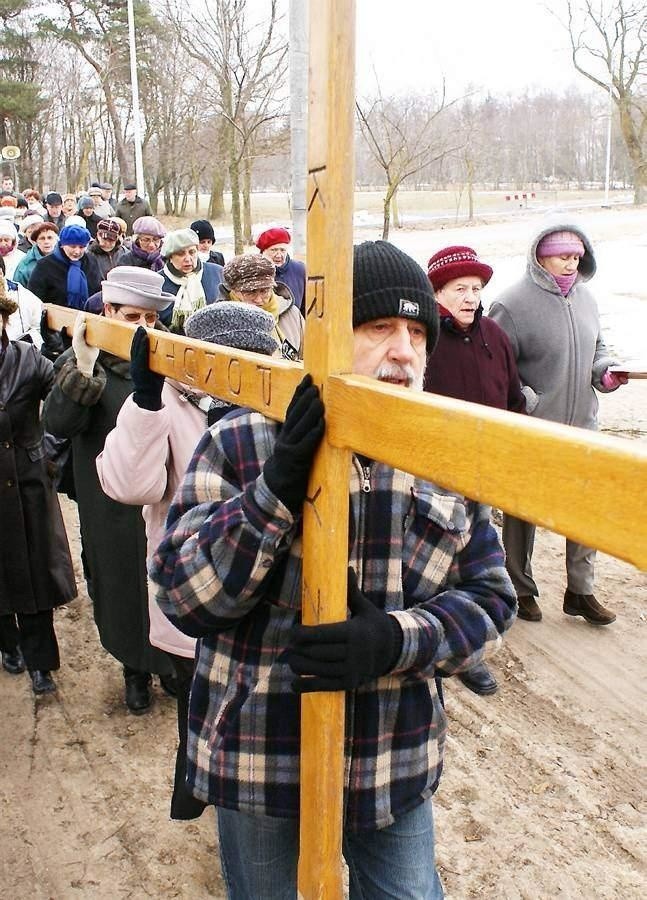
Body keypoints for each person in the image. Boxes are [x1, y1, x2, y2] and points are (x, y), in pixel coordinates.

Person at [150, 240, 517, 899]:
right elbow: (184, 598)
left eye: (416, 332)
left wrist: (396, 641)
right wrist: (272, 494)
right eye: (377, 328)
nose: (402, 351)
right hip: (261, 758)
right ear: (323, 339)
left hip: (391, 758)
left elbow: (490, 601)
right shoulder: (241, 439)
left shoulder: (447, 456)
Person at [96, 302, 278, 820]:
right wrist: (145, 403)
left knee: (261, 718)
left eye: (255, 358)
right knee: (199, 712)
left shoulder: (279, 405)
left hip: (265, 595)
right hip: (193, 593)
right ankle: (202, 793)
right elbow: (130, 485)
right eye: (230, 358)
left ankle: (251, 813)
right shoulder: (170, 402)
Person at [41, 267, 177, 713]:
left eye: (150, 319)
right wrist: (81, 368)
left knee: (164, 581)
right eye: (131, 316)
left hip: (159, 495)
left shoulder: (169, 359)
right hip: (108, 502)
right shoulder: (83, 360)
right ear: (108, 310)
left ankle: (169, 666)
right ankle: (133, 669)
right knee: (121, 586)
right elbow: (58, 423)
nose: (142, 328)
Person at [489, 220, 628, 626]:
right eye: (563, 255)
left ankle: (581, 591)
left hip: (584, 427)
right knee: (522, 512)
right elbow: (498, 362)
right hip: (533, 429)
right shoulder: (512, 303)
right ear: (541, 256)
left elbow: (598, 346)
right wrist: (527, 400)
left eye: (576, 257)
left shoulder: (587, 299)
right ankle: (520, 588)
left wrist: (605, 371)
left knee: (586, 509)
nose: (571, 263)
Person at [424, 245, 526, 697]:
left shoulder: (495, 336)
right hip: (434, 470)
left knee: (477, 562)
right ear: (437, 293)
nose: (470, 297)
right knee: (433, 562)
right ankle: (427, 645)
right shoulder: (423, 337)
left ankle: (470, 651)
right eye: (459, 289)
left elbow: (513, 398)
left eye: (476, 289)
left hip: (484, 468)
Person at [0, 271, 77, 695]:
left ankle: (40, 663)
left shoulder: (28, 360)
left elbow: (63, 398)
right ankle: (6, 643)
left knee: (35, 574)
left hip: (29, 482)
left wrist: (47, 450)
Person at [219, 253, 304, 359]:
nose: (258, 300)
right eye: (250, 292)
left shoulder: (292, 314)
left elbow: (309, 357)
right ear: (234, 291)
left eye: (264, 291)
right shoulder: (221, 322)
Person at [160, 228, 223, 333]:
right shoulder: (159, 281)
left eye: (192, 252)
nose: (188, 259)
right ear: (170, 257)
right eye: (181, 254)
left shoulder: (217, 273)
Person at [28, 223, 101, 309]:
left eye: (81, 247)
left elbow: (98, 292)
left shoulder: (91, 262)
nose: (77, 251)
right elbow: (34, 299)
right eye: (72, 246)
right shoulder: (45, 266)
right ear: (62, 245)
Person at [256, 226, 306, 311]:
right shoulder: (254, 270)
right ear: (263, 251)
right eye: (273, 250)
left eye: (282, 250)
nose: (279, 255)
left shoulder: (299, 269)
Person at [0, 255, 43, 346]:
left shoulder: (23, 296)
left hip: (16, 354)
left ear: (1, 273)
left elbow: (38, 326)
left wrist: (27, 343)